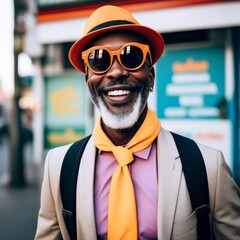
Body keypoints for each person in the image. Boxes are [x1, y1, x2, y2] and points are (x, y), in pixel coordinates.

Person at [35, 5, 240, 240]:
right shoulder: (58, 167)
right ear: (88, 81)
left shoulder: (208, 166)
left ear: (150, 77)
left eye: (130, 56)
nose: (115, 72)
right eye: (99, 61)